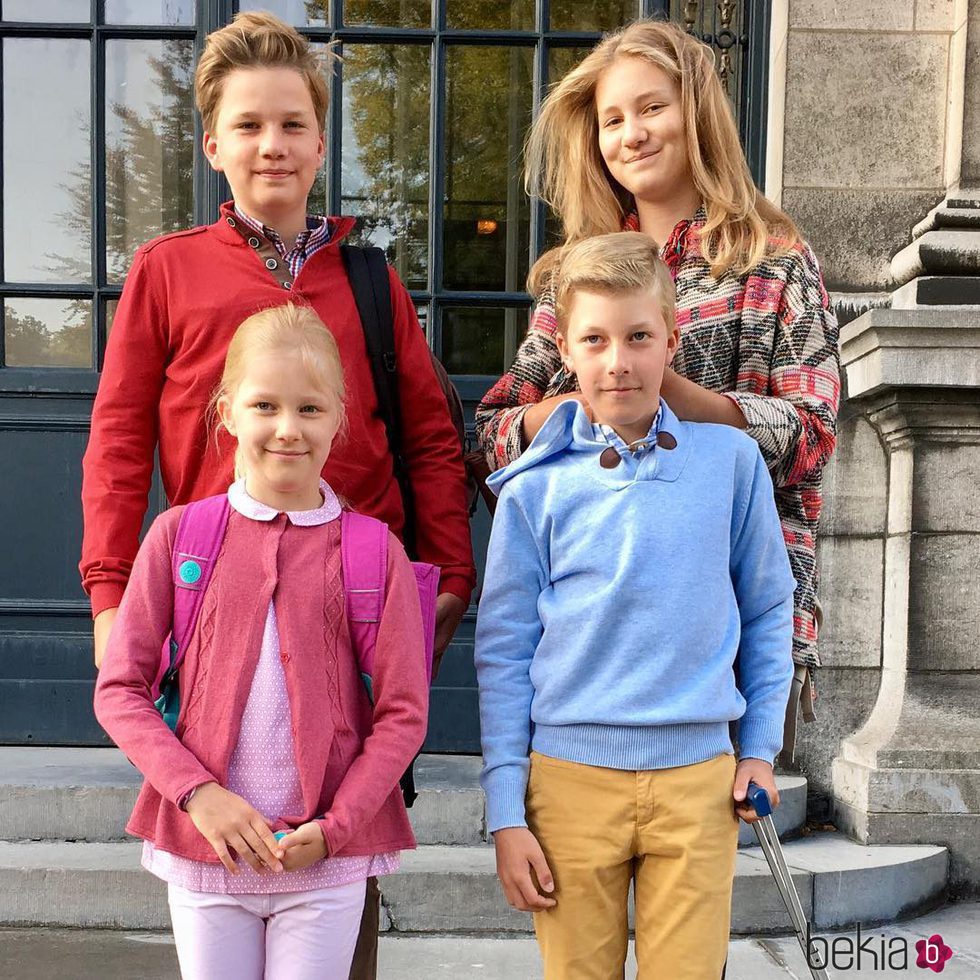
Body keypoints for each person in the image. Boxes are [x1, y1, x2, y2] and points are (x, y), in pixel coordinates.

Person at [81, 15, 474, 974]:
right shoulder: (167, 271)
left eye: (293, 124)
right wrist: (106, 590)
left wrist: (448, 576)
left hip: (352, 605)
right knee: (221, 815)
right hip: (214, 606)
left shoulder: (371, 280)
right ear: (214, 142)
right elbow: (120, 438)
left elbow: (428, 435)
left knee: (342, 857)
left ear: (319, 140)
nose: (273, 145)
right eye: (250, 126)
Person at [475, 19, 839, 752]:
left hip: (732, 616)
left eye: (652, 108)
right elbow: (494, 437)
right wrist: (595, 397)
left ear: (696, 113)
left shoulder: (772, 262)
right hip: (594, 626)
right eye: (612, 119)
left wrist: (665, 386)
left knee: (703, 860)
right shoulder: (575, 273)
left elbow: (812, 439)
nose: (631, 134)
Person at [475, 232, 796, 979]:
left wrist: (757, 749)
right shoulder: (533, 487)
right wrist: (505, 811)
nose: (617, 359)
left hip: (698, 780)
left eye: (638, 336)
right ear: (569, 356)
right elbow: (503, 649)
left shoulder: (732, 463)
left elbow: (768, 609)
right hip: (568, 782)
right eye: (595, 339)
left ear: (671, 340)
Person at [94, 304, 429, 980]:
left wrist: (337, 828)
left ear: (340, 415)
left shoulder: (373, 552)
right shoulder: (180, 537)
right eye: (264, 405)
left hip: (323, 862)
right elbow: (119, 690)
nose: (286, 429)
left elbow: (402, 713)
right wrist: (198, 795)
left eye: (309, 409)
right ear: (227, 412)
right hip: (206, 856)